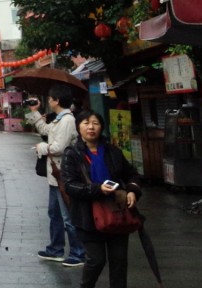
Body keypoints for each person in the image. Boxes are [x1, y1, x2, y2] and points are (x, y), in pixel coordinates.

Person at [61, 110, 144, 288]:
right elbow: (69, 185)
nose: (91, 127)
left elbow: (132, 175)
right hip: (87, 215)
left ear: (101, 127)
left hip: (116, 212)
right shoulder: (72, 154)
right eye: (86, 123)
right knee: (96, 260)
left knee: (119, 262)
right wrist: (97, 189)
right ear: (79, 127)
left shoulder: (113, 151)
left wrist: (132, 191)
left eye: (95, 123)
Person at [25, 84, 86, 266]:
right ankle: (55, 249)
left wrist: (41, 148)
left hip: (64, 175)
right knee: (55, 214)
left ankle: (78, 253)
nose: (49, 101)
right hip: (55, 176)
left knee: (67, 216)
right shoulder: (59, 119)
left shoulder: (67, 120)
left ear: (57, 100)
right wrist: (34, 112)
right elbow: (45, 131)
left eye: (51, 99)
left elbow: (59, 148)